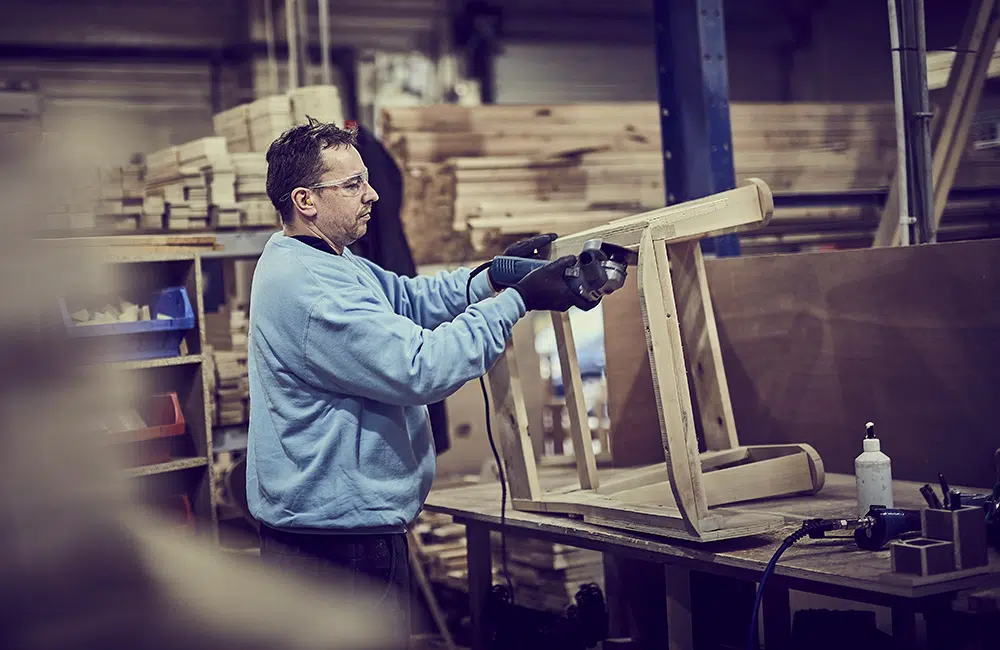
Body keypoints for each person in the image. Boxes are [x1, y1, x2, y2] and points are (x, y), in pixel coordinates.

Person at [245, 117, 600, 630]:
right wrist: (519, 301)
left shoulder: (329, 260)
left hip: (341, 525)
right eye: (353, 185)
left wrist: (492, 274)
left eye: (365, 180)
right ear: (305, 200)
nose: (372, 196)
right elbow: (421, 368)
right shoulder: (312, 289)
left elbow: (411, 298)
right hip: (336, 545)